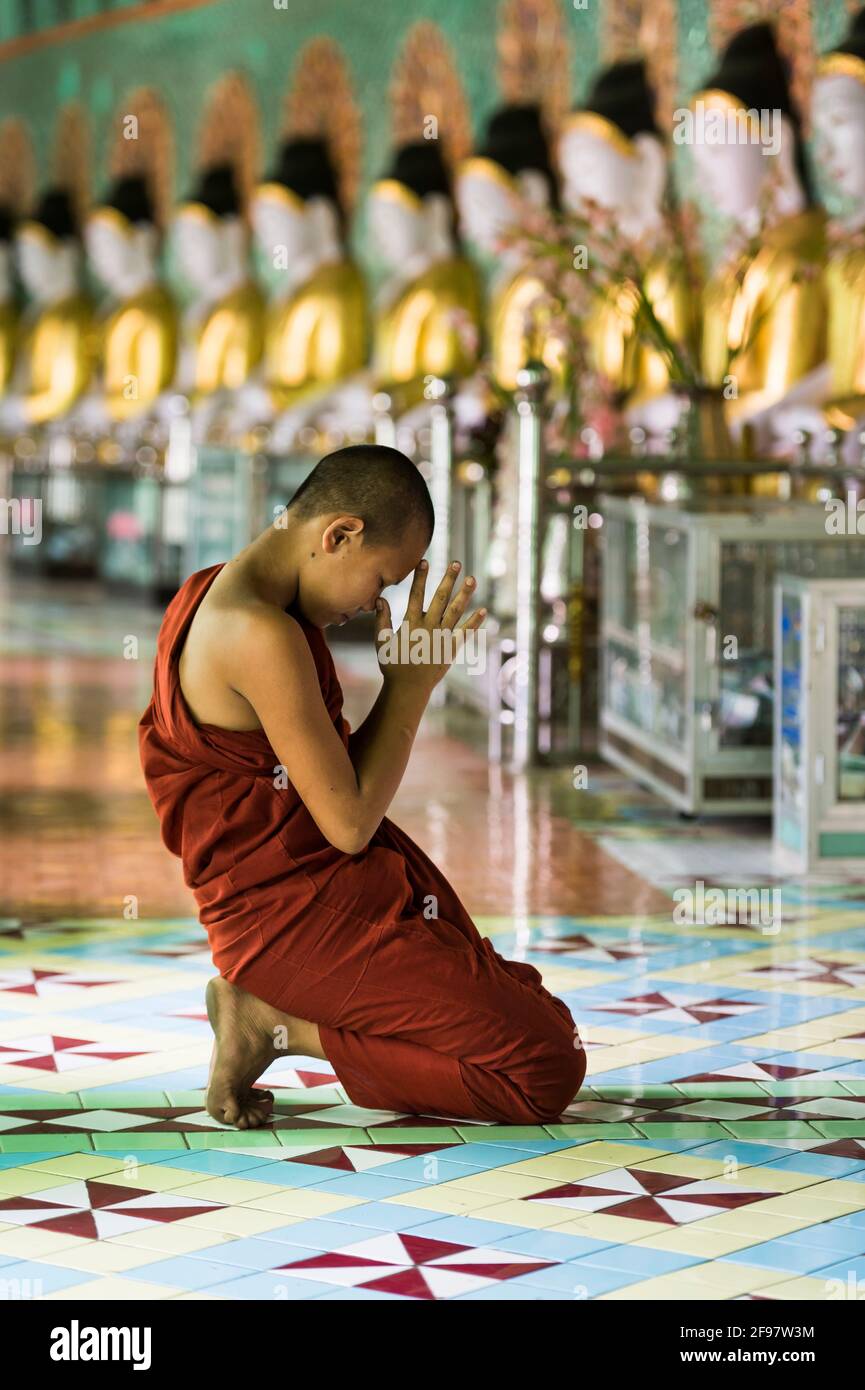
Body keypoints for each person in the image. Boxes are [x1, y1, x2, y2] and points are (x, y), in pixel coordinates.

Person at [138, 445, 586, 1129]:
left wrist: (407, 685)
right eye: (381, 578)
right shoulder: (258, 633)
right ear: (338, 534)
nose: (375, 602)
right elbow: (347, 821)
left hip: (317, 894)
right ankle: (272, 1022)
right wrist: (409, 689)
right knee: (541, 1068)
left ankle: (271, 1016)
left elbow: (333, 783)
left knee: (530, 1010)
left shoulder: (218, 589)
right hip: (291, 922)